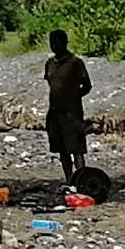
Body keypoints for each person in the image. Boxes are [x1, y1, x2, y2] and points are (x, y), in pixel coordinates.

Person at [41, 28, 92, 187]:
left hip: (72, 113)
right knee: (62, 149)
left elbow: (87, 85)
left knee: (77, 149)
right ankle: (70, 181)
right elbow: (51, 83)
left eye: (56, 42)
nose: (54, 45)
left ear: (65, 42)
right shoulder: (50, 63)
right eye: (51, 42)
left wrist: (73, 98)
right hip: (55, 112)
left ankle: (81, 181)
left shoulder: (75, 63)